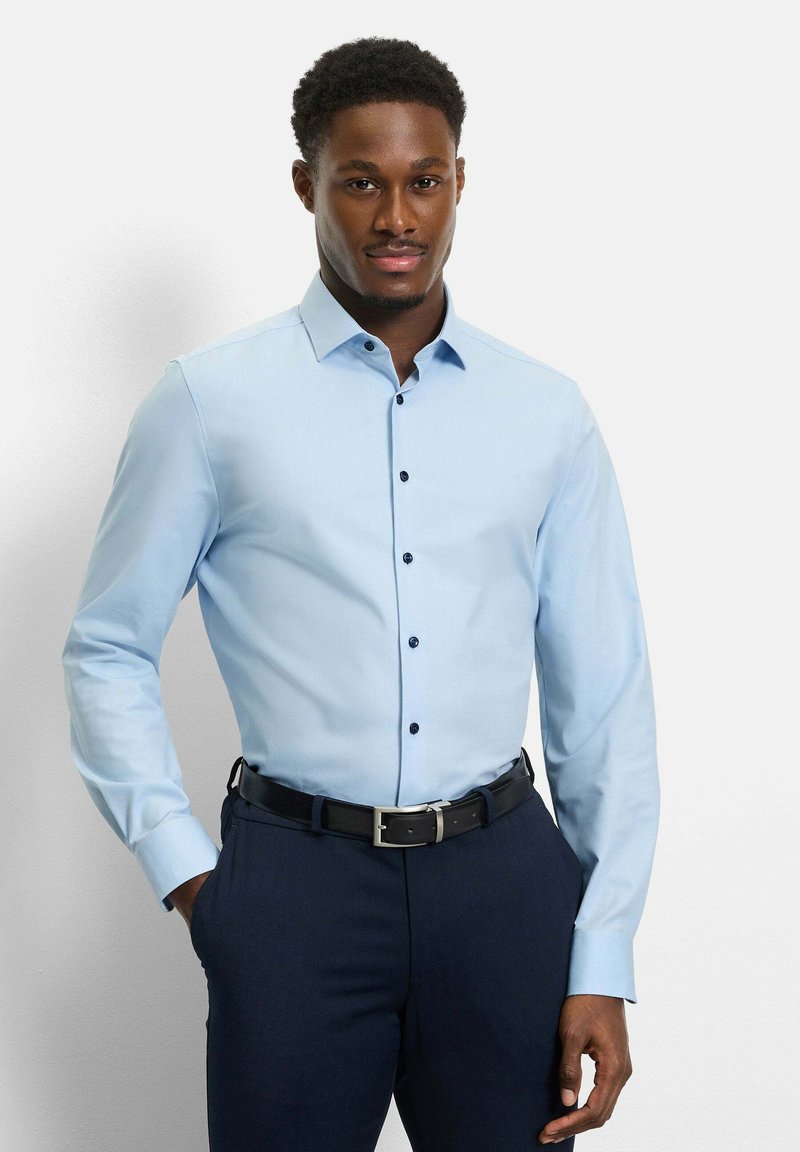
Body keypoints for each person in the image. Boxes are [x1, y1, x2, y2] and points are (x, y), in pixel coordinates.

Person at [61, 36, 659, 1152]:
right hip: (293, 891)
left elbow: (604, 696)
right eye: (361, 182)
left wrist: (602, 951)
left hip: (503, 889)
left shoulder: (545, 413)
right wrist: (191, 876)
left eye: (423, 181)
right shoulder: (208, 403)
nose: (397, 217)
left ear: (459, 181)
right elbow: (107, 647)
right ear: (307, 185)